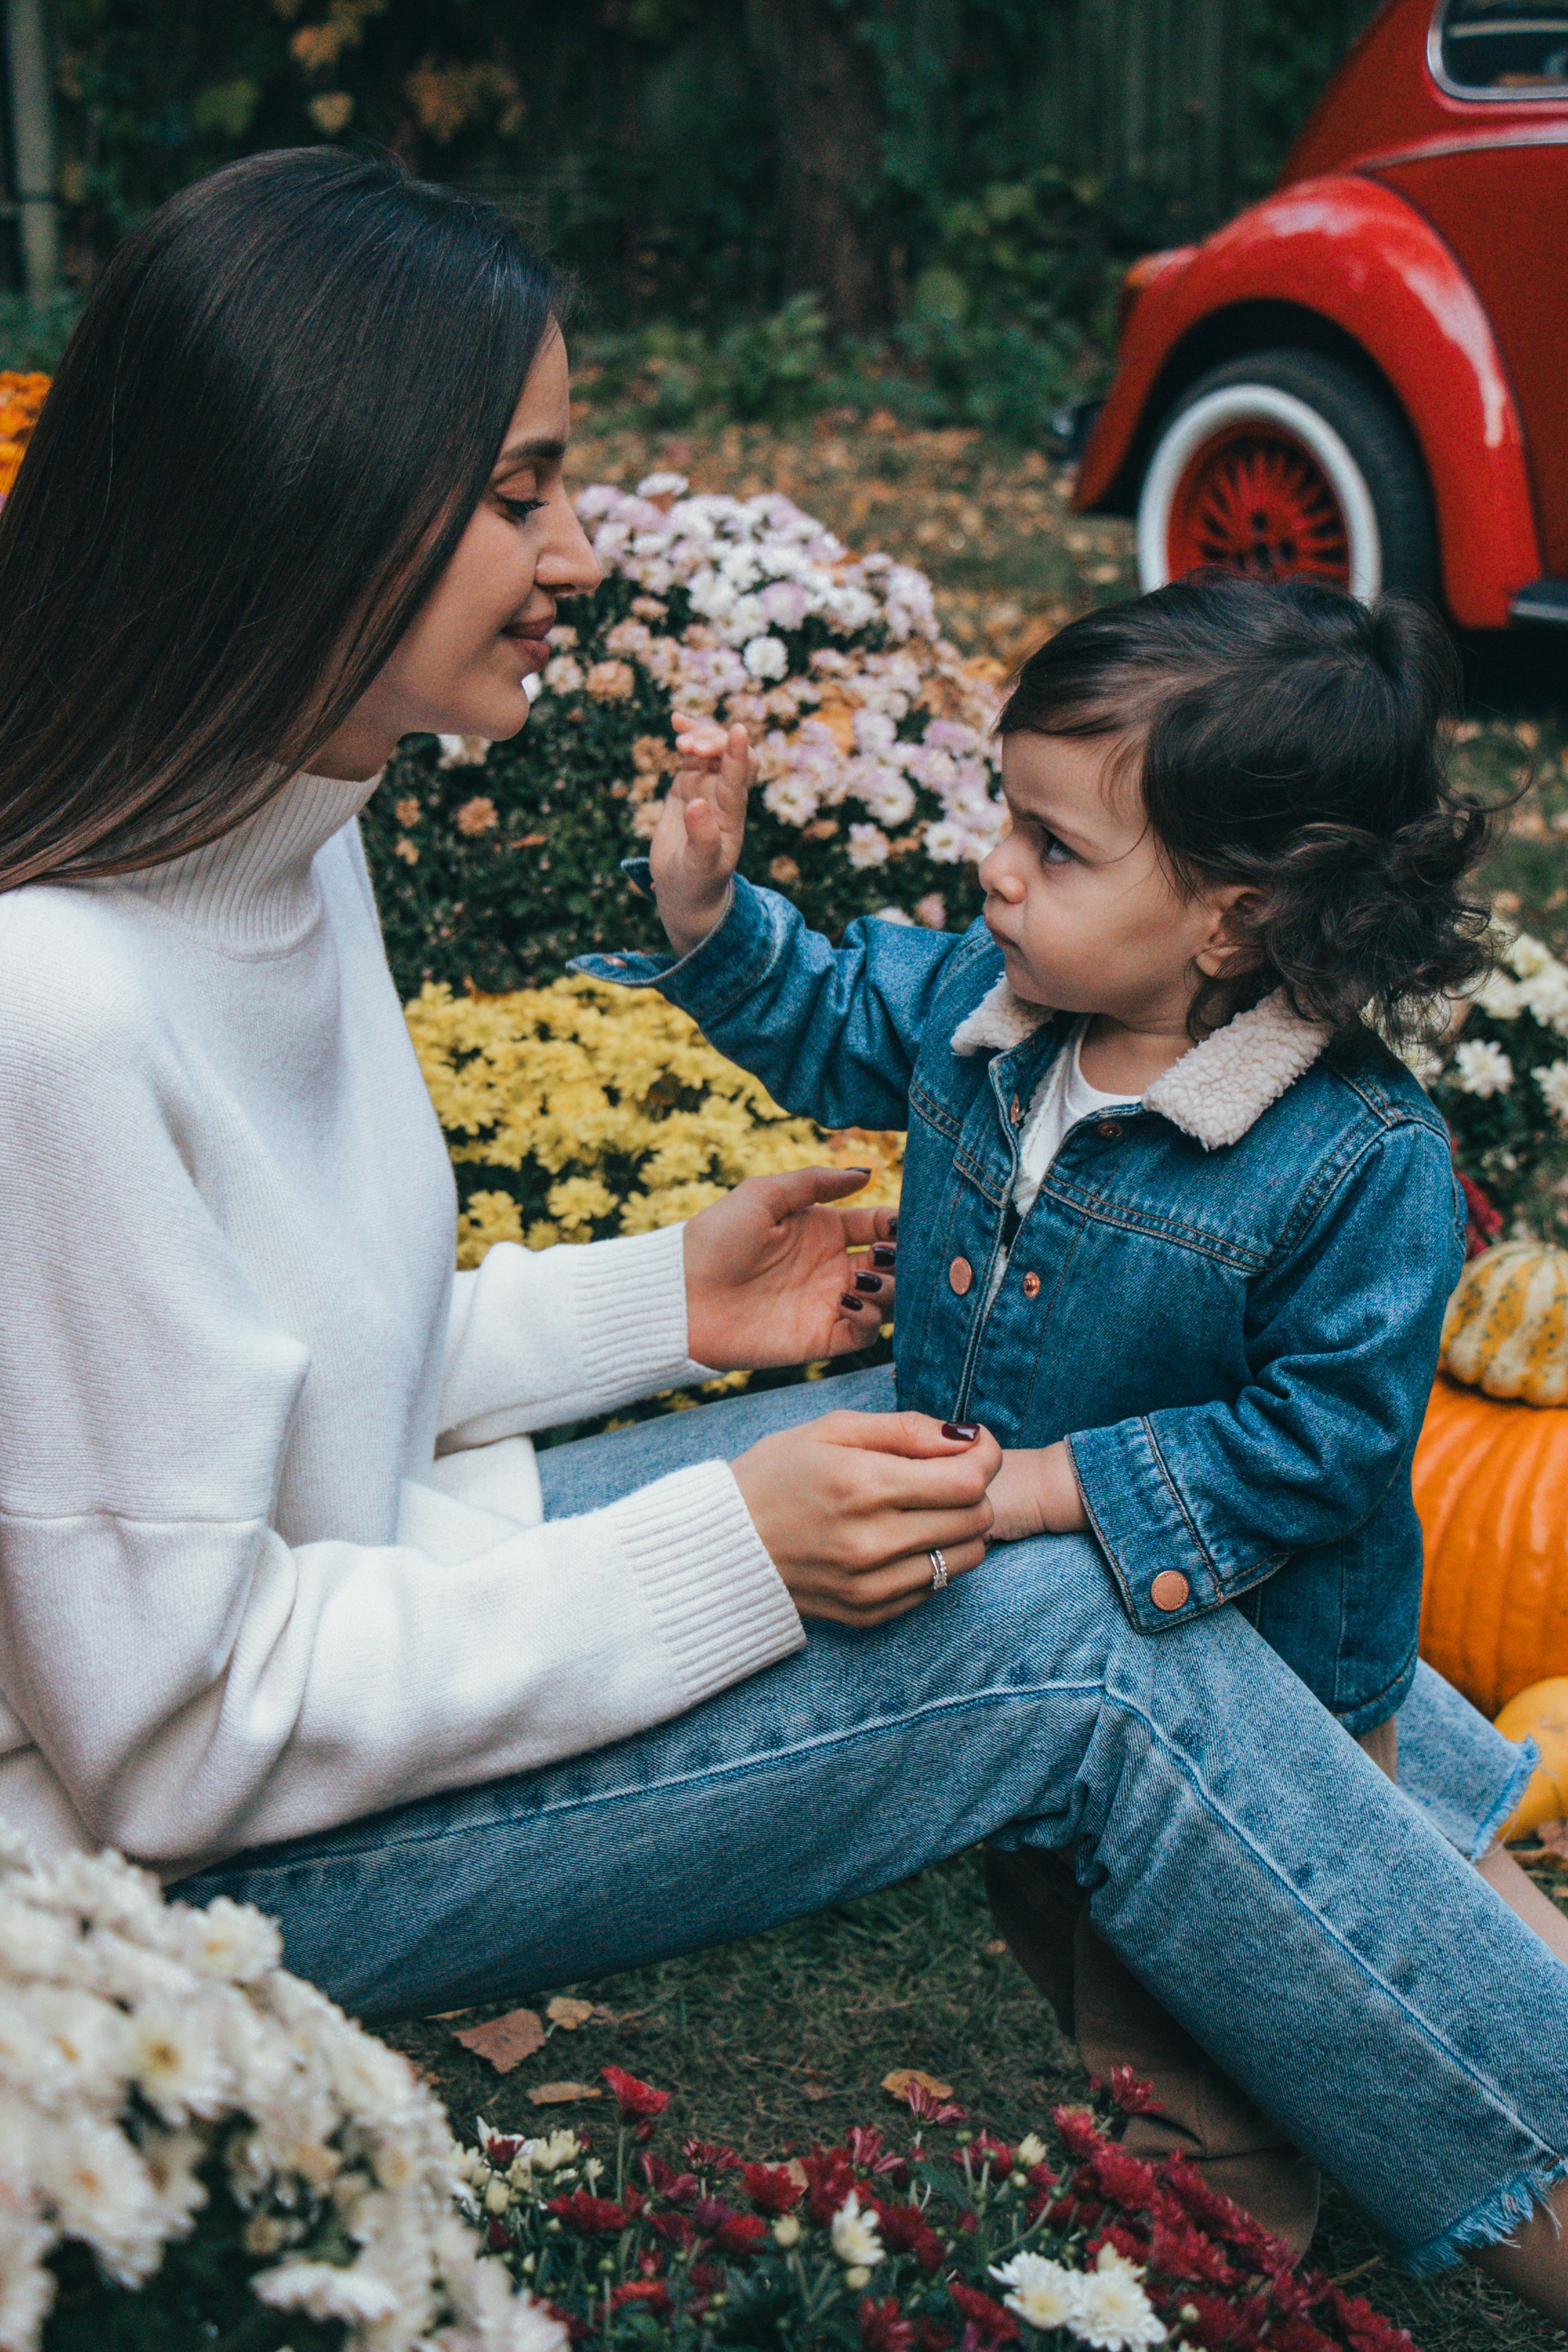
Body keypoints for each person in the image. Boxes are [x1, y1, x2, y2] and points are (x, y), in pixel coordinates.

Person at [0, 146, 1566, 2316]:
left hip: (363, 1608)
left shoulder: (285, 839)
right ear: (320, 492)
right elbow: (165, 1729)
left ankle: (1479, 1923)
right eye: (523, 488)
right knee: (1060, 1623)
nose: (576, 551)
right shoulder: (58, 1014)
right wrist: (734, 1546)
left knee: (1051, 1454)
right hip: (168, 1858)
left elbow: (258, 1377)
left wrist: (670, 1303)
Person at [578, 577, 1522, 2253]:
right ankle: (1246, 2156)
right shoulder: (994, 1018)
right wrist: (711, 914)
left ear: (1229, 923)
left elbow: (1319, 1444)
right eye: (1002, 820)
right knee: (1058, 1902)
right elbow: (834, 1010)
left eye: (1053, 847)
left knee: (1205, 1998)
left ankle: (1215, 2248)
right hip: (1023, 1653)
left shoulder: (1350, 1162)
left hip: (1260, 1684)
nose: (993, 872)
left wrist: (1036, 1490)